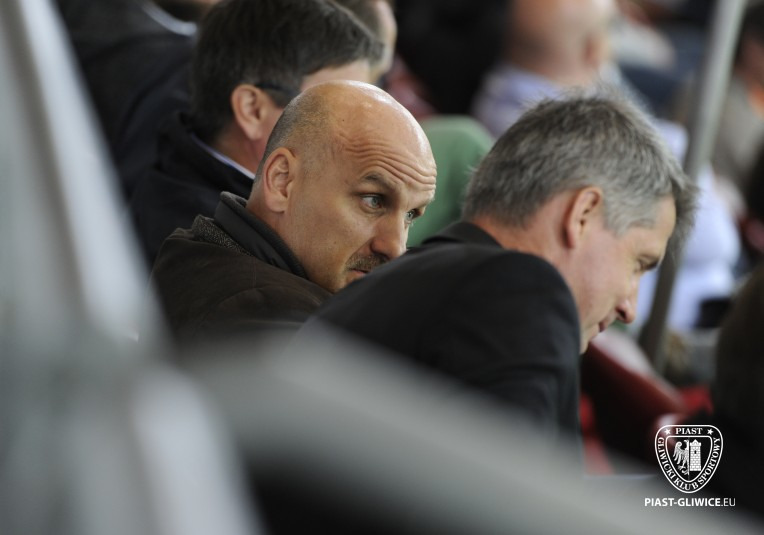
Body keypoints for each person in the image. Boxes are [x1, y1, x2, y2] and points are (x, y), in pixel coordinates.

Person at [301, 94, 697, 444]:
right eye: (638, 264)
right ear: (583, 214)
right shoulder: (520, 294)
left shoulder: (390, 287)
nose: (630, 307)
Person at [149, 80, 436, 344]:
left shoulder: (206, 252)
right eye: (373, 200)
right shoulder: (268, 319)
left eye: (411, 215)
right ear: (282, 181)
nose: (395, 248)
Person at [129, 0, 383, 265]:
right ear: (252, 110)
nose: (362, 134)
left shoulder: (182, 171)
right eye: (338, 112)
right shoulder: (218, 258)